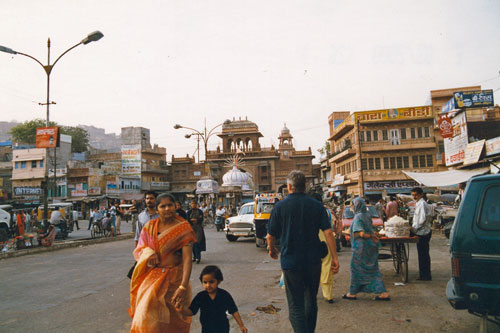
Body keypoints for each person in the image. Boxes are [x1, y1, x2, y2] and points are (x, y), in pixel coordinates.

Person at [267, 170, 339, 333]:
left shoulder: (280, 206)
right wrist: (334, 257)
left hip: (291, 262)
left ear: (289, 187)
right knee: (310, 301)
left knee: (296, 305)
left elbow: (270, 236)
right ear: (304, 186)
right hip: (313, 261)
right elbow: (328, 233)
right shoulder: (316, 205)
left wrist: (272, 250)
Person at [129, 193, 197, 332]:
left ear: (175, 206)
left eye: (170, 205)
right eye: (163, 206)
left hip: (175, 279)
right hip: (153, 278)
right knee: (144, 315)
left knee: (174, 321)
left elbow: (187, 260)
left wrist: (183, 287)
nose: (167, 209)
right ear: (157, 209)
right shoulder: (150, 227)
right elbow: (139, 249)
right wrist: (149, 252)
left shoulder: (184, 229)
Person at [343, 197, 390, 301]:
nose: (352, 207)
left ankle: (352, 293)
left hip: (361, 249)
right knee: (372, 269)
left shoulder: (358, 217)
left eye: (353, 205)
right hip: (371, 247)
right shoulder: (367, 215)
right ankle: (382, 292)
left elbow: (360, 233)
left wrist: (370, 236)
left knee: (356, 269)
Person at [176, 265, 247, 333]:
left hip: (223, 329)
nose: (208, 285)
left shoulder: (224, 295)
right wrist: (182, 310)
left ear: (218, 281)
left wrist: (241, 325)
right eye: (205, 282)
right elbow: (191, 311)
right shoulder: (200, 296)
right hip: (206, 330)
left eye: (211, 282)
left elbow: (234, 311)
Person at [311, 193, 336, 304]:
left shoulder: (310, 211)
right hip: (326, 242)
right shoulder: (327, 212)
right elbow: (330, 230)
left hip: (312, 242)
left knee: (311, 269)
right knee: (326, 268)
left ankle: (311, 294)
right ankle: (328, 295)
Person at [411, 187, 432, 281]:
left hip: (423, 232)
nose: (414, 197)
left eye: (416, 195)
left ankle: (425, 275)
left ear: (421, 194)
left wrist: (413, 229)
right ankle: (424, 274)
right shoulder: (418, 203)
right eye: (413, 195)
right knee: (422, 255)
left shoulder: (422, 204)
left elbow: (422, 220)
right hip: (420, 231)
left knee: (423, 255)